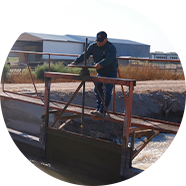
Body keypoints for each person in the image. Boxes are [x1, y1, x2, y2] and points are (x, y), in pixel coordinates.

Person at [71, 31, 118, 117]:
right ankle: (98, 108)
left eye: (101, 41)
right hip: (100, 72)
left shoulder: (111, 48)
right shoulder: (93, 46)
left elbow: (110, 59)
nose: (98, 43)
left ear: (106, 39)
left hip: (110, 72)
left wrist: (101, 64)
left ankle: (102, 111)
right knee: (97, 89)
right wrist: (76, 62)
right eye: (97, 41)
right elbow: (85, 54)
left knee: (107, 92)